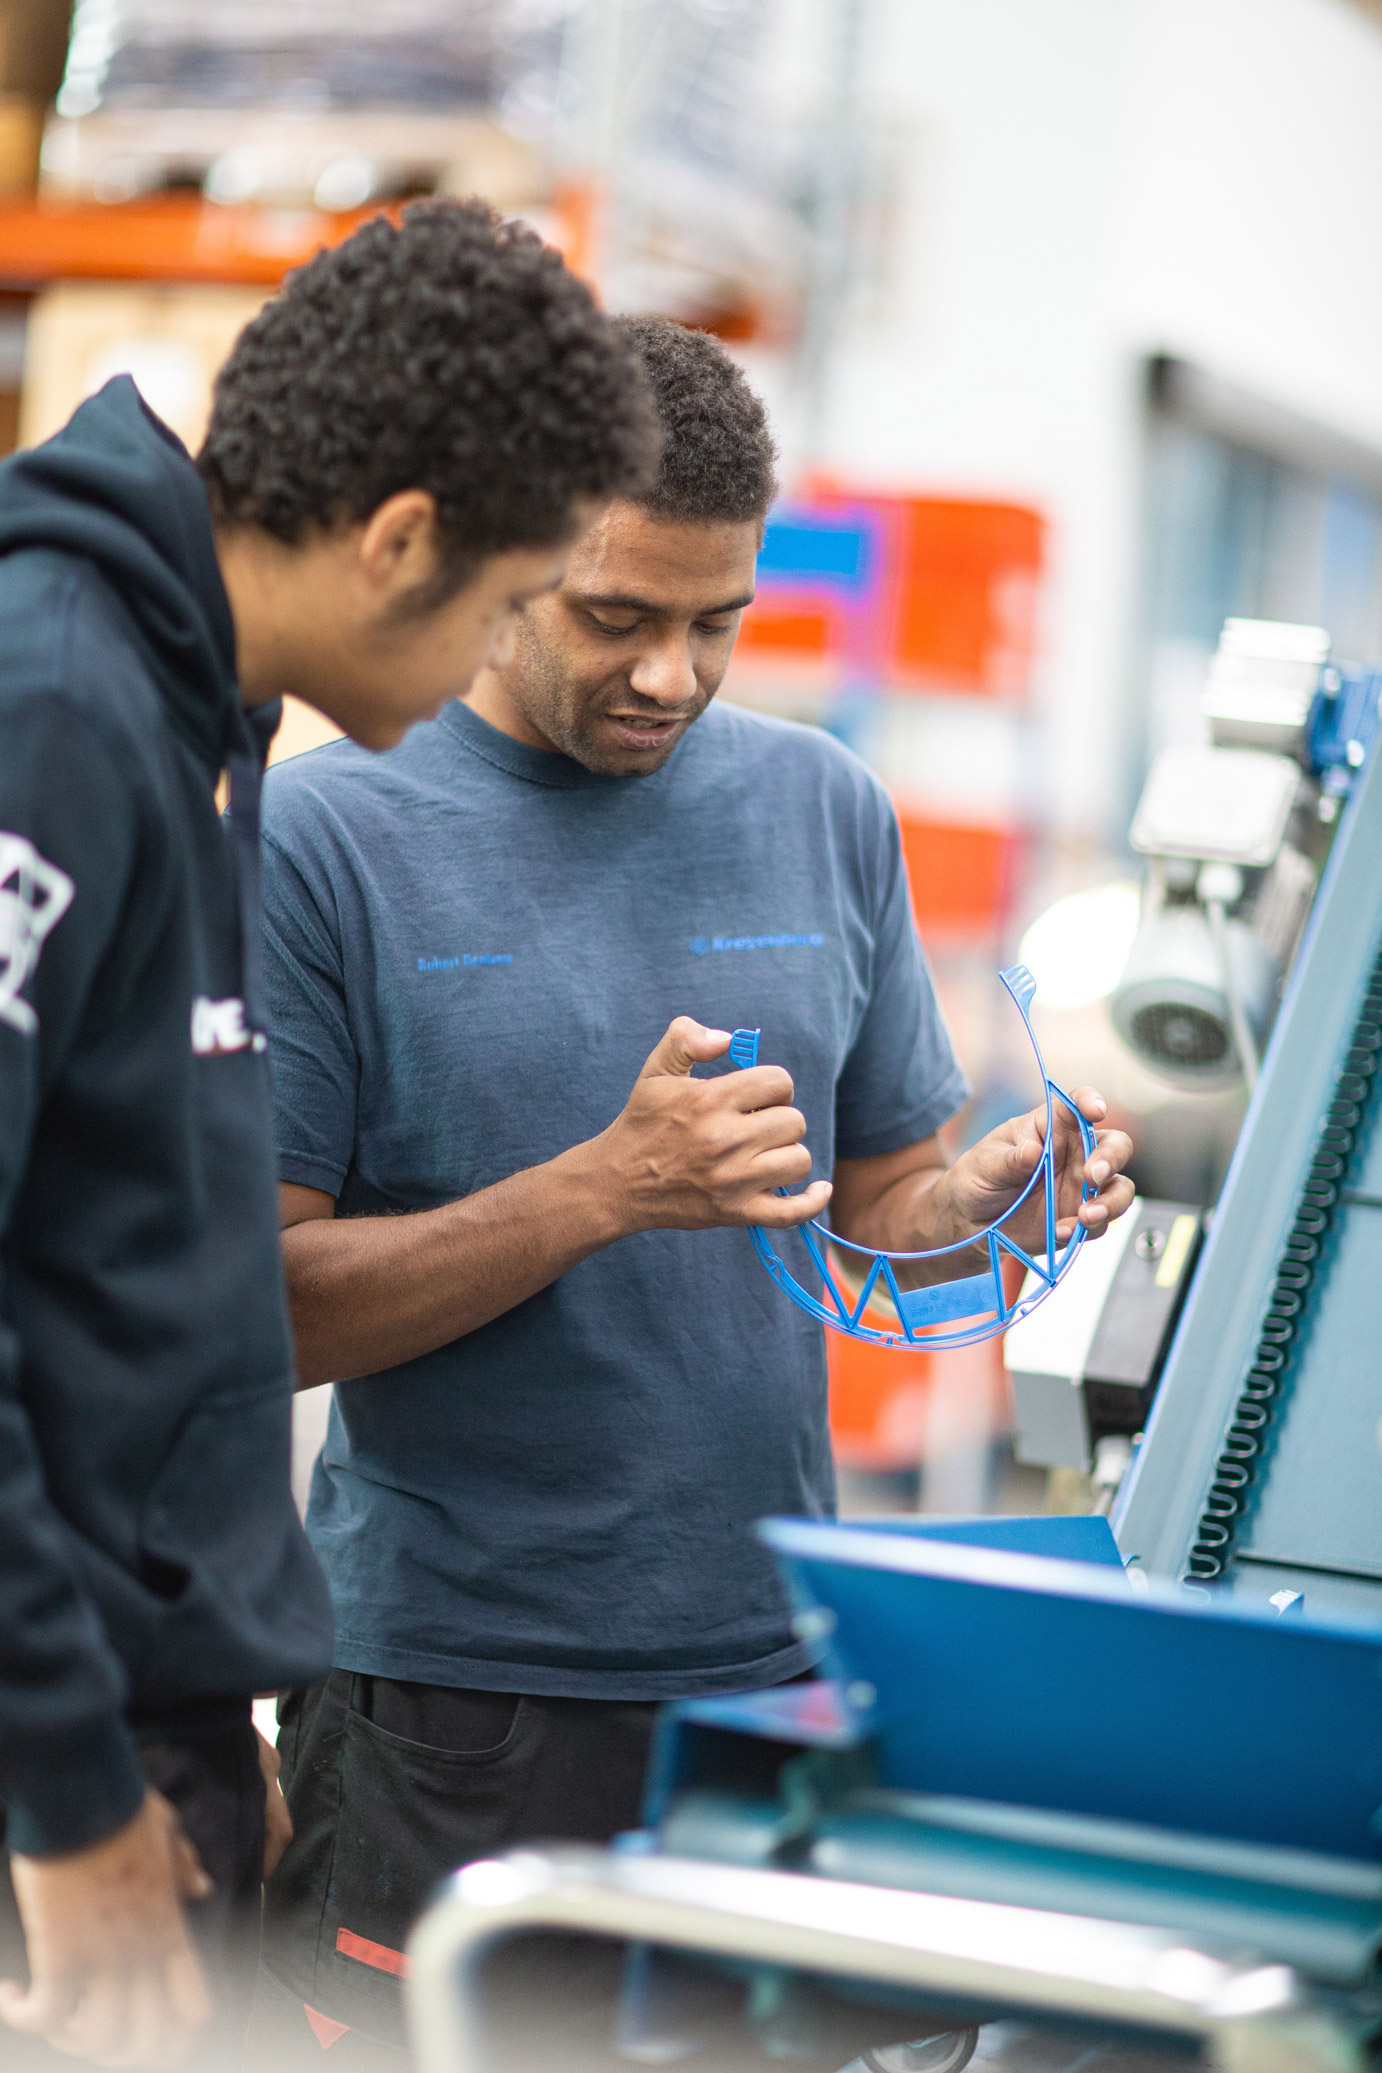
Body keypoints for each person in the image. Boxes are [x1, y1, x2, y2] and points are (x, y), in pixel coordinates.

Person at [254, 315, 1135, 2064]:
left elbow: (870, 1211)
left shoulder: (820, 805)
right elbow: (255, 1312)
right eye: (614, 617)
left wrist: (978, 1193)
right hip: (454, 1695)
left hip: (762, 1663)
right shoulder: (325, 836)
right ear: (504, 555)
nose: (670, 672)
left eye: (716, 622)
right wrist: (596, 1188)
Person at [0, 200, 656, 2070]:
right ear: (397, 542)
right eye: (500, 606)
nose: (483, 668)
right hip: (57, 1772)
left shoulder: (206, 707)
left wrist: (234, 1708)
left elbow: (140, 1261)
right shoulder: (52, 704)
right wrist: (68, 1797)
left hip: (156, 1727)